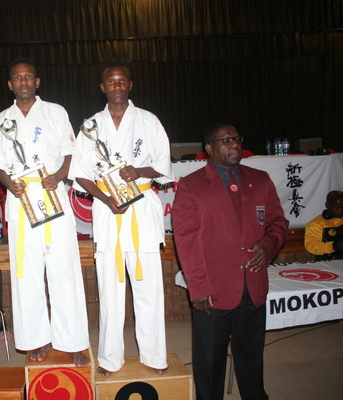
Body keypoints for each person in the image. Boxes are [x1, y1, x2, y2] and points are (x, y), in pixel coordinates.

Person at [69, 62, 173, 376]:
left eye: (122, 81)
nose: (117, 86)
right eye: (111, 82)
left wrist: (138, 171)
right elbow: (80, 174)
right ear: (102, 87)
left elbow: (163, 164)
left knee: (148, 288)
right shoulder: (91, 126)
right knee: (109, 290)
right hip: (108, 210)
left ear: (130, 84)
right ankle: (109, 359)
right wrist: (105, 199)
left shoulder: (148, 121)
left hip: (141, 207)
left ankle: (154, 356)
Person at [172, 123, 289, 400]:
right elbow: (187, 241)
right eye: (225, 141)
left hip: (253, 286)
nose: (234, 144)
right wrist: (198, 287)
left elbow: (278, 222)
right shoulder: (192, 186)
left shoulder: (260, 179)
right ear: (209, 149)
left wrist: (268, 245)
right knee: (210, 363)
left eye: (236, 139)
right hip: (213, 291)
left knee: (251, 358)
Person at [0, 58, 90, 367]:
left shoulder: (55, 112)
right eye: (18, 77)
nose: (24, 81)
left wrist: (58, 177)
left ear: (37, 81)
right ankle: (37, 339)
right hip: (21, 201)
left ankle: (72, 340)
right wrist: (9, 184)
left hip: (52, 195)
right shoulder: (1, 120)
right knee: (27, 273)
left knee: (63, 270)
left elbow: (71, 153)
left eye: (28, 76)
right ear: (10, 84)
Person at [304, 190, 343, 260]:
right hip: (327, 261)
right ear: (327, 205)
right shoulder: (316, 224)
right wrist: (335, 246)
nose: (340, 210)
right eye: (336, 207)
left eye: (342, 207)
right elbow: (311, 246)